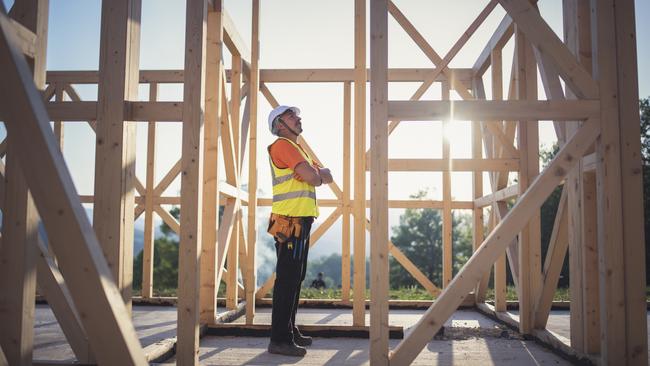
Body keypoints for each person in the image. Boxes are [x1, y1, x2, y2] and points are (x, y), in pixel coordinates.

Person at [266, 105, 333, 357]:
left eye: (296, 114)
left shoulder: (297, 148)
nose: (298, 118)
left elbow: (328, 176)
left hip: (299, 220)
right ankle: (279, 340)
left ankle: (288, 331)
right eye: (291, 116)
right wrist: (313, 173)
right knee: (287, 279)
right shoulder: (282, 145)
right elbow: (317, 177)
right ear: (280, 125)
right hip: (289, 220)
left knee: (296, 277)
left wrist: (312, 173)